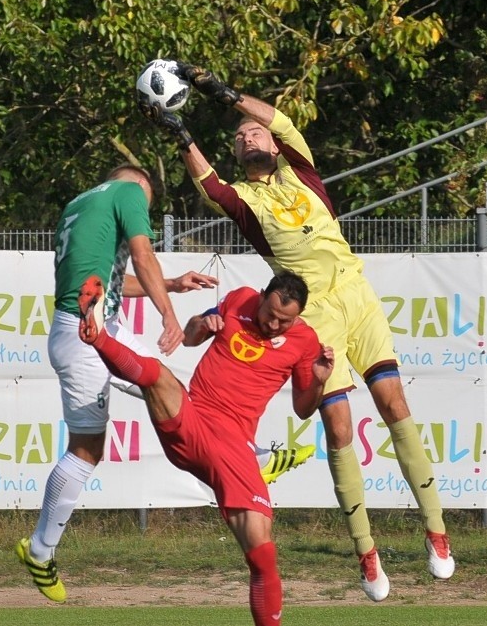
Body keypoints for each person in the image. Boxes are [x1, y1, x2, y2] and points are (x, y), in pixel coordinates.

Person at [139, 64, 455, 602]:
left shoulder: (299, 169)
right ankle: (366, 551)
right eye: (239, 138)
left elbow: (276, 117)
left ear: (273, 141)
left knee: (395, 404)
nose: (247, 136)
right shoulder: (246, 201)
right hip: (317, 318)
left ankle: (437, 533)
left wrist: (222, 91)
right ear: (237, 155)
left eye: (253, 131)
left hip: (357, 296)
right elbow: (209, 183)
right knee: (338, 429)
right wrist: (180, 131)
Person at [16, 163, 310, 603]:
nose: (144, 212)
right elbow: (143, 255)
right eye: (148, 205)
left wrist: (171, 285)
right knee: (86, 449)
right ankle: (40, 550)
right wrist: (168, 316)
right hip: (83, 333)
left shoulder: (80, 203)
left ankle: (251, 456)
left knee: (174, 392)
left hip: (100, 323)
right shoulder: (129, 191)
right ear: (140, 186)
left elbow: (112, 281)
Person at [78, 268, 334, 626]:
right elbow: (194, 335)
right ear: (263, 297)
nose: (273, 324)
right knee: (159, 377)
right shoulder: (240, 299)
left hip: (233, 446)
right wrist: (202, 323)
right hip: (195, 419)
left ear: (299, 316)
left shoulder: (305, 343)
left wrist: (319, 381)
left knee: (263, 554)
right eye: (269, 313)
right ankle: (97, 337)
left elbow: (304, 407)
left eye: (284, 320)